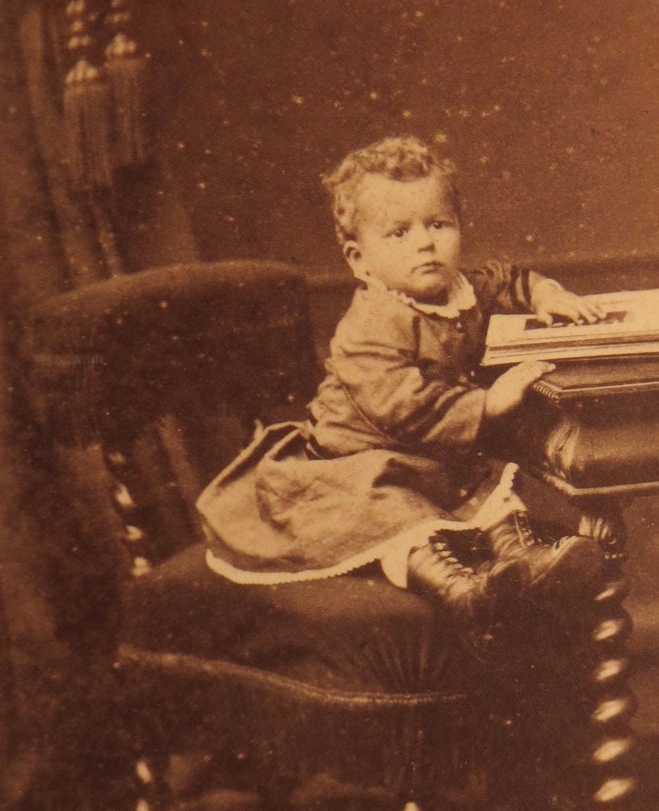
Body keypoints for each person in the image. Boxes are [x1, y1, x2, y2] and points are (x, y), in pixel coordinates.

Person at [197, 136, 609, 629]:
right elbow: (400, 405)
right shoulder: (370, 322)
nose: (424, 243)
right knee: (397, 515)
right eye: (397, 233)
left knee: (490, 489)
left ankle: (523, 561)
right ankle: (463, 593)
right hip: (357, 463)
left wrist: (544, 293)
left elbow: (504, 280)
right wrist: (487, 405)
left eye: (438, 224)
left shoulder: (456, 290)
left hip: (427, 454)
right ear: (358, 258)